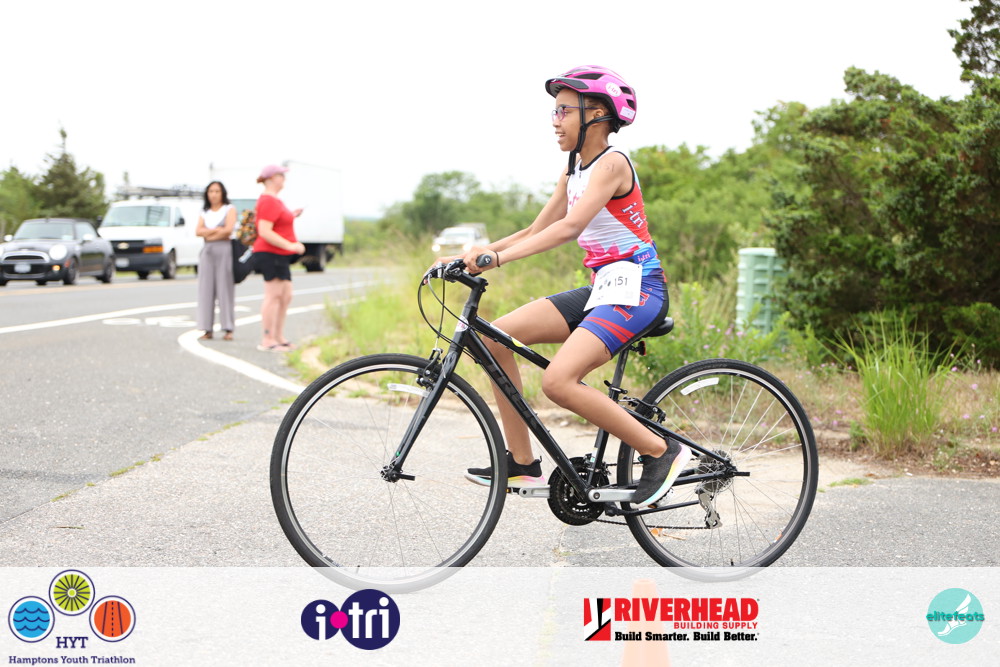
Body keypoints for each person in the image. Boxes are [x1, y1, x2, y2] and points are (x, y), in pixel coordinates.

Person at [454, 66, 691, 508]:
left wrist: (497, 260)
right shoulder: (573, 169)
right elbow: (537, 229)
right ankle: (521, 462)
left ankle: (662, 451)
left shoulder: (613, 163)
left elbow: (570, 227)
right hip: (605, 288)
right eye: (554, 111)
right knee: (493, 339)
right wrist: (476, 253)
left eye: (564, 110)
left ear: (597, 114)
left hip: (640, 289)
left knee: (559, 382)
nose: (555, 120)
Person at [253, 164, 305, 351]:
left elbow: (277, 223)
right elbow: (264, 231)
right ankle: (268, 339)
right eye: (281, 175)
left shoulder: (275, 200)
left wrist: (292, 215)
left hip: (279, 255)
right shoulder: (268, 200)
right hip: (270, 253)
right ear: (271, 178)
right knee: (273, 296)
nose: (284, 179)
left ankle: (278, 336)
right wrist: (290, 245)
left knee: (285, 296)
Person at [195, 181, 237, 340]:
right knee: (205, 288)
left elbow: (228, 230)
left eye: (217, 191)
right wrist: (215, 231)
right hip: (208, 251)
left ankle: (228, 327)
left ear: (222, 193)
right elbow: (198, 231)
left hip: (224, 249)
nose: (213, 194)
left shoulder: (229, 209)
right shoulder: (204, 212)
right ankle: (206, 328)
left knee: (224, 288)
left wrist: (210, 234)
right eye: (211, 191)